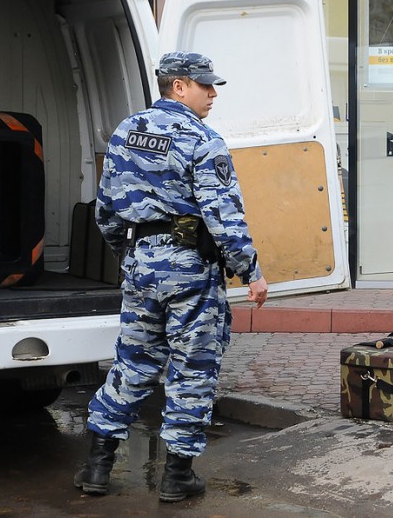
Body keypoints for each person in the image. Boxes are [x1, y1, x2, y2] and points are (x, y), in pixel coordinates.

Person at [73, 52, 268, 502]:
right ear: (178, 86)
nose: (213, 94)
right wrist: (250, 270)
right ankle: (177, 476)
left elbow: (106, 205)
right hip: (190, 273)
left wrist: (131, 252)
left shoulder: (127, 130)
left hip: (141, 265)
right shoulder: (203, 139)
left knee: (134, 362)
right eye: (205, 85)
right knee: (192, 369)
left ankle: (97, 468)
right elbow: (224, 217)